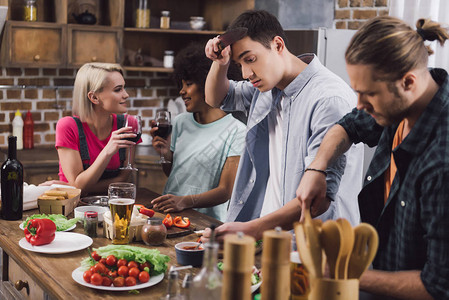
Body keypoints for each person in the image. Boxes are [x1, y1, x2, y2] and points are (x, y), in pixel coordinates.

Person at [296, 16, 449, 300]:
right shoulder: (402, 103)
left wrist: (343, 271)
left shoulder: (441, 164)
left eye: (368, 94)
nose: (360, 104)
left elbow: (438, 285)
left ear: (408, 82)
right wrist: (316, 168)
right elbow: (349, 125)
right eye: (357, 92)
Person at [201, 9, 364, 241]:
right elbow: (216, 98)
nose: (246, 73)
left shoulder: (328, 99)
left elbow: (318, 200)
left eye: (250, 59)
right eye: (240, 64)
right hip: (273, 237)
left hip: (318, 247)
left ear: (277, 45)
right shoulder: (268, 87)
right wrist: (221, 63)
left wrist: (251, 229)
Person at [150, 43, 246, 222]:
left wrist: (185, 202)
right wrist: (164, 154)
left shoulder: (237, 131)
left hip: (206, 222)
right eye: (181, 84)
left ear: (207, 82)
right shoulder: (180, 122)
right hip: (171, 215)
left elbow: (225, 191)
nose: (182, 91)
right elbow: (175, 174)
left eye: (188, 84)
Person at [55, 63, 138, 194]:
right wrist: (107, 151)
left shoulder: (129, 124)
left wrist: (79, 187)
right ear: (94, 97)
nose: (126, 95)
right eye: (118, 89)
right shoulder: (68, 127)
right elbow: (78, 188)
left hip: (113, 205)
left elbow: (124, 180)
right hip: (76, 208)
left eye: (124, 88)